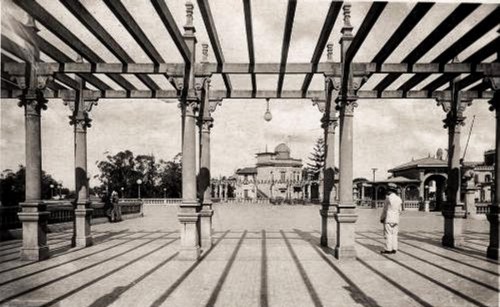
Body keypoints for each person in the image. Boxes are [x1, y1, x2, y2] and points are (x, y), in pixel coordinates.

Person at [380, 183, 402, 254]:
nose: (387, 192)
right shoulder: (399, 199)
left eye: (388, 190)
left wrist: (382, 218)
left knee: (388, 234)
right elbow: (400, 210)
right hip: (396, 219)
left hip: (389, 219)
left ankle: (388, 249)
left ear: (390, 190)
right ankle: (394, 248)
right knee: (395, 234)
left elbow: (385, 210)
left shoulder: (388, 198)